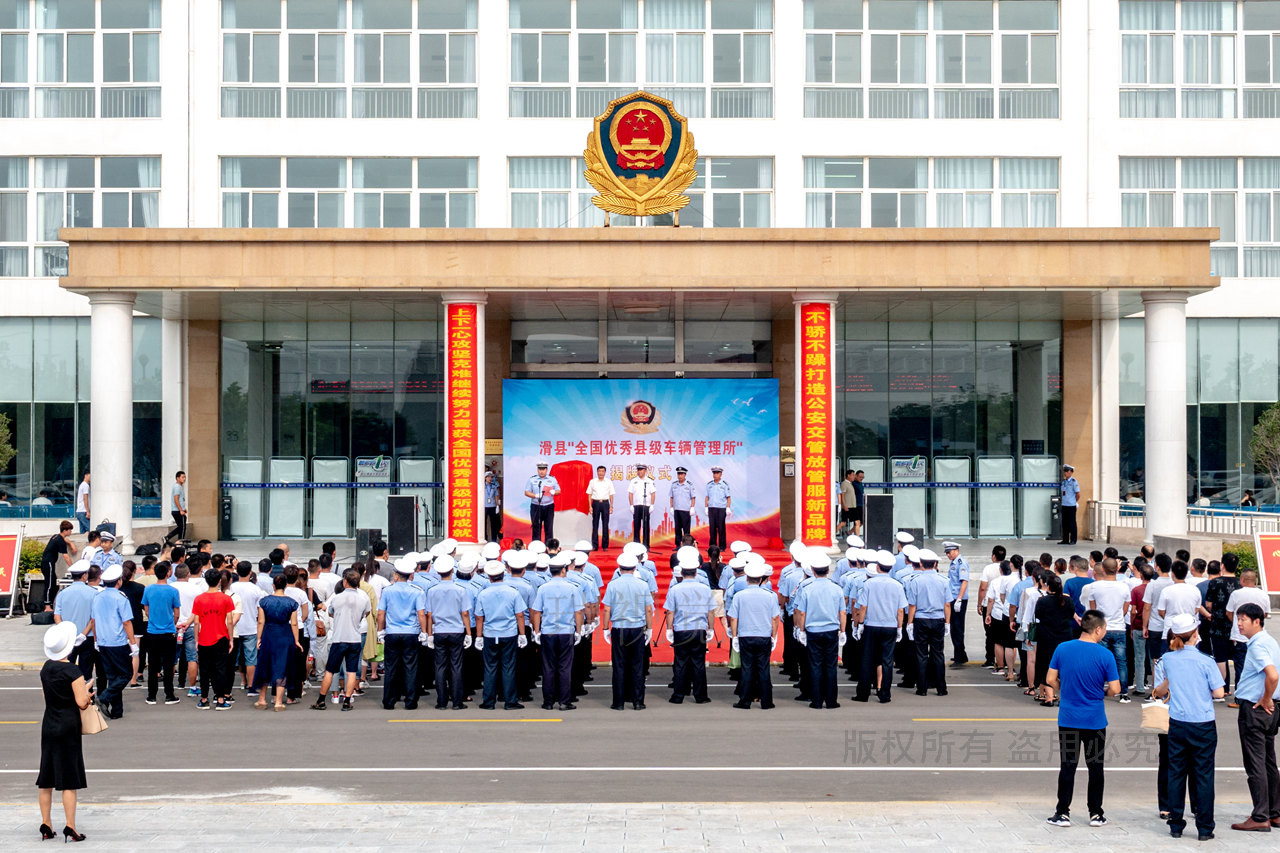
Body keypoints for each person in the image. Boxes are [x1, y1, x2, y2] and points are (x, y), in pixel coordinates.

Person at [1151, 613, 1225, 840]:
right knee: (1203, 775)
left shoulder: (1168, 659)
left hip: (1177, 723)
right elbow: (1219, 693)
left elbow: (1161, 690)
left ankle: (1175, 824)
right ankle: (1205, 828)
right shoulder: (1206, 661)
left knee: (1176, 774)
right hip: (1202, 723)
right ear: (1195, 633)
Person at [1045, 610, 1121, 828]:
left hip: (1068, 717)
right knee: (1095, 767)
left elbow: (1050, 678)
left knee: (1068, 766)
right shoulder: (1104, 655)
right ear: (1098, 629)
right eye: (1104, 629)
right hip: (1095, 719)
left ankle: (1062, 812)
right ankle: (1096, 813)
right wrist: (1103, 693)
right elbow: (1115, 688)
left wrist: (1065, 690)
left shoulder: (1063, 648)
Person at [36, 622, 92, 843]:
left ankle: (46, 823)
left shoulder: (46, 669)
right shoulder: (73, 671)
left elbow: (46, 698)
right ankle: (70, 826)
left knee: (46, 776)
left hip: (49, 723)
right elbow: (81, 703)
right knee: (69, 778)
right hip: (68, 725)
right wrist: (87, 694)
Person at [1230, 602, 1280, 832]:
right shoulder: (1271, 641)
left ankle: (1260, 816)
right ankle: (1274, 812)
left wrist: (1266, 697)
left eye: (1243, 620)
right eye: (1238, 619)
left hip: (1256, 708)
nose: (1239, 624)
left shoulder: (1258, 645)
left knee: (1256, 764)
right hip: (1271, 710)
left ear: (1257, 621)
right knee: (1269, 762)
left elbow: (1272, 675)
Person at [312, 568, 371, 712]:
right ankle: (347, 700)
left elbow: (331, 612)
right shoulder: (363, 598)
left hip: (339, 639)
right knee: (351, 671)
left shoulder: (337, 598)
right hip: (355, 638)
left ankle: (321, 700)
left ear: (345, 581)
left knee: (330, 670)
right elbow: (366, 613)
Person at [531, 556, 584, 711]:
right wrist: (579, 631)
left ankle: (548, 701)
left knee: (548, 667)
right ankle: (564, 701)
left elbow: (536, 612)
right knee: (564, 667)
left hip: (548, 632)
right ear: (563, 570)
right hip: (566, 631)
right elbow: (578, 611)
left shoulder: (543, 588)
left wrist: (536, 631)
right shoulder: (572, 588)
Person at [854, 551, 907, 704]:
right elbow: (900, 610)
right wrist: (899, 628)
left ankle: (863, 694)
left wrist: (861, 624)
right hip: (890, 627)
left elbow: (862, 607)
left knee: (867, 659)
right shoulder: (897, 585)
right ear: (890, 568)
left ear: (877, 567)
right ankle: (884, 694)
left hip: (871, 625)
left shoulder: (869, 584)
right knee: (887, 661)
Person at [795, 550, 847, 708]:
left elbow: (802, 613)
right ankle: (831, 701)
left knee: (815, 665)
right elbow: (842, 612)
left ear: (812, 570)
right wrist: (843, 631)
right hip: (831, 630)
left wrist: (801, 631)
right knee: (830, 666)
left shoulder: (807, 589)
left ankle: (816, 701)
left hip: (813, 631)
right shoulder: (836, 588)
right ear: (828, 569)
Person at [601, 552, 652, 710]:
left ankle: (618, 702)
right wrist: (649, 629)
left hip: (619, 629)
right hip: (637, 629)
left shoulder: (613, 584)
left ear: (619, 567)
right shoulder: (642, 584)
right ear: (635, 567)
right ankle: (638, 701)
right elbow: (648, 610)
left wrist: (604, 628)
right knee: (637, 666)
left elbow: (606, 609)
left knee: (619, 666)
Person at [664, 555, 716, 705]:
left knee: (680, 662)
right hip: (699, 629)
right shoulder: (705, 589)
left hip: (681, 629)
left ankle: (678, 695)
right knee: (698, 663)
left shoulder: (675, 589)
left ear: (681, 573)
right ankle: (700, 696)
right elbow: (711, 611)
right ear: (696, 572)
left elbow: (670, 611)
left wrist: (669, 628)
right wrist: (711, 628)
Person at [474, 561, 527, 710]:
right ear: (504, 574)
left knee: (490, 668)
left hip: (490, 634)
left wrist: (479, 636)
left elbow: (479, 616)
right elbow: (520, 615)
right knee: (508, 668)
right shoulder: (513, 592)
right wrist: (522, 634)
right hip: (508, 633)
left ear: (489, 577)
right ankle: (510, 701)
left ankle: (488, 701)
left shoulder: (483, 593)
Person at [728, 561, 779, 710]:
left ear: (747, 578)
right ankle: (767, 701)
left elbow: (734, 618)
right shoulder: (770, 596)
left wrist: (735, 636)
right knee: (763, 669)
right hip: (763, 635)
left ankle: (745, 700)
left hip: (746, 636)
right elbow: (775, 618)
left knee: (747, 669)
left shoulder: (740, 596)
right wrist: (774, 636)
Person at [89, 565, 136, 720]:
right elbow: (127, 622)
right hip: (117, 642)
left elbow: (94, 621)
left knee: (113, 677)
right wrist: (133, 643)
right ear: (119, 581)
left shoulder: (97, 597)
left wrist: (96, 639)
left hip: (103, 642)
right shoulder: (120, 597)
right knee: (126, 674)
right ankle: (104, 697)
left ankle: (117, 711)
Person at [378, 562, 427, 711]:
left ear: (396, 575)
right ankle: (411, 701)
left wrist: (381, 630)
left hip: (392, 632)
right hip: (410, 632)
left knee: (391, 668)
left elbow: (381, 613)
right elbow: (421, 614)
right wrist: (424, 632)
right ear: (410, 575)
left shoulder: (387, 591)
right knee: (410, 668)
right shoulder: (417, 591)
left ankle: (389, 701)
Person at [426, 555, 471, 710]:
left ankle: (441, 701)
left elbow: (429, 615)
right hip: (456, 630)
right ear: (452, 570)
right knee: (456, 666)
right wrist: (469, 633)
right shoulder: (460, 590)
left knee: (440, 667)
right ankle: (457, 701)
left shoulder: (432, 591)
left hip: (439, 630)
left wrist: (429, 634)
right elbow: (465, 613)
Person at [1084, 557, 1132, 703]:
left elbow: (1093, 607)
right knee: (1121, 660)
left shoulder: (1095, 587)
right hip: (1119, 627)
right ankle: (1123, 692)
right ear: (1117, 569)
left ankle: (1098, 687)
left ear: (1102, 569)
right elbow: (1126, 607)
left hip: (1100, 627)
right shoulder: (1124, 587)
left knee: (1099, 659)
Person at [252, 574, 301, 712]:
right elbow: (294, 623)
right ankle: (278, 702)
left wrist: (259, 638)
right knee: (282, 667)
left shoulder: (264, 601)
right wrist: (296, 640)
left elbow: (261, 621)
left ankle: (262, 700)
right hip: (284, 635)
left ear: (273, 585)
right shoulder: (292, 603)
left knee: (265, 666)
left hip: (268, 634)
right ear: (285, 585)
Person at [906, 549, 950, 697]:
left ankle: (922, 688)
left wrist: (910, 623)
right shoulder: (944, 581)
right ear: (935, 564)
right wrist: (948, 622)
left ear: (921, 564)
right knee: (938, 654)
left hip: (921, 619)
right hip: (938, 619)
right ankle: (941, 688)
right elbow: (947, 605)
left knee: (921, 655)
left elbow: (912, 605)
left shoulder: (916, 581)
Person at [1226, 570, 1271, 707]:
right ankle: (1257, 695)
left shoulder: (1236, 594)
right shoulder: (1263, 595)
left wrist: (1238, 623)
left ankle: (1240, 698)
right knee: (1258, 667)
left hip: (1239, 637)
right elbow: (1265, 613)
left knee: (1241, 667)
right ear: (1255, 580)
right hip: (1258, 635)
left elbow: (1229, 612)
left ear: (1242, 580)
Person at [140, 561, 181, 706]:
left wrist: (153, 618)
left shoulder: (148, 590)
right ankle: (169, 695)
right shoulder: (173, 591)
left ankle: (151, 696)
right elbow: (176, 612)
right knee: (169, 665)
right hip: (168, 631)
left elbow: (146, 608)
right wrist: (173, 623)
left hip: (152, 630)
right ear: (168, 573)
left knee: (153, 664)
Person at [1035, 573, 1076, 707]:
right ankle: (1064, 696)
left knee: (1046, 665)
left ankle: (1050, 697)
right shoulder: (1067, 601)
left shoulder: (1043, 601)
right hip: (1065, 637)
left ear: (1047, 586)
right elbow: (1071, 615)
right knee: (1064, 668)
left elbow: (1038, 615)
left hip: (1047, 637)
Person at [229, 562, 265, 695]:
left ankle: (242, 681)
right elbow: (259, 609)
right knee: (251, 658)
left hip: (234, 626)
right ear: (250, 572)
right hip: (250, 626)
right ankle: (251, 686)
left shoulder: (232, 587)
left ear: (237, 572)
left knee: (238, 657)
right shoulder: (256, 589)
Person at [943, 541, 969, 667]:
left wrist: (959, 599)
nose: (948, 555)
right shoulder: (954, 562)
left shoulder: (961, 563)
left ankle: (960, 656)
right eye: (946, 553)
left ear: (955, 550)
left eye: (949, 552)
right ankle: (959, 653)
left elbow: (964, 582)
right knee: (955, 628)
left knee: (957, 628)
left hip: (958, 599)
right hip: (953, 598)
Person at [40, 521, 75, 610]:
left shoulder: (56, 536)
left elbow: (65, 540)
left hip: (48, 563)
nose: (71, 532)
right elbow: (66, 557)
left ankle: (50, 603)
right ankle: (47, 605)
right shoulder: (60, 541)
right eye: (70, 530)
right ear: (65, 530)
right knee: (50, 584)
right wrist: (73, 568)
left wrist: (70, 544)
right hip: (48, 563)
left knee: (55, 585)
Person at [523, 461, 560, 543]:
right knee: (536, 527)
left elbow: (558, 491)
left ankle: (549, 548)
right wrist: (535, 496)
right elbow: (526, 492)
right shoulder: (532, 479)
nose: (541, 471)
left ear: (546, 470)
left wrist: (554, 492)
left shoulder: (552, 479)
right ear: (537, 470)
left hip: (549, 506)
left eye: (543, 469)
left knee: (549, 528)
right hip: (536, 506)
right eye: (540, 469)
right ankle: (536, 547)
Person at [586, 465, 615, 551]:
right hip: (596, 503)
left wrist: (611, 506)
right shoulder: (593, 481)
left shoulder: (608, 482)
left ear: (605, 472)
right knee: (595, 525)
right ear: (597, 472)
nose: (601, 473)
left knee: (605, 525)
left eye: (602, 471)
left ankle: (605, 546)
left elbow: (611, 494)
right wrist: (590, 506)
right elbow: (589, 494)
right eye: (599, 471)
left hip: (606, 503)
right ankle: (595, 546)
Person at [627, 463, 655, 548]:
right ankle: (636, 544)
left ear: (645, 471)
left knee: (646, 526)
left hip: (646, 506)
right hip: (636, 506)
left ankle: (646, 545)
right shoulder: (633, 481)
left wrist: (652, 505)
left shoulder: (649, 481)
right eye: (638, 470)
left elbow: (653, 494)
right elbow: (630, 494)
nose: (639, 471)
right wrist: (631, 505)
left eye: (641, 470)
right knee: (636, 526)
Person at [704, 466, 731, 551]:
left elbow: (728, 497)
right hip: (711, 508)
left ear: (721, 474)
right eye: (714, 473)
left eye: (717, 473)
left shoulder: (724, 485)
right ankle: (712, 547)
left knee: (721, 528)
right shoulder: (709, 485)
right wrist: (706, 507)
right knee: (712, 529)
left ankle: (722, 547)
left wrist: (728, 508)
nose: (715, 474)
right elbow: (707, 497)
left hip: (721, 509)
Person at [669, 466, 695, 544]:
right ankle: (678, 545)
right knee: (677, 529)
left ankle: (687, 544)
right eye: (678, 474)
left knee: (686, 529)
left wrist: (692, 507)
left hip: (686, 510)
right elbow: (671, 497)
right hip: (677, 510)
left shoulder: (689, 485)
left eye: (681, 474)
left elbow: (693, 497)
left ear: (685, 475)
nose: (679, 476)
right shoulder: (674, 485)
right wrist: (671, 507)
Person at [1059, 464, 1080, 545]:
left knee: (1072, 523)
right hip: (1064, 505)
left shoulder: (1074, 482)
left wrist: (1074, 502)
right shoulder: (1063, 482)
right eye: (1065, 471)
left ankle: (1073, 540)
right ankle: (1065, 540)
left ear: (1071, 472)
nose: (1065, 473)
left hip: (1071, 505)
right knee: (1065, 523)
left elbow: (1078, 494)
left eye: (1067, 471)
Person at [166, 470, 187, 544]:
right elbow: (176, 499)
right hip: (177, 511)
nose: (184, 479)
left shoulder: (179, 487)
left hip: (177, 510)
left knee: (180, 527)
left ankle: (168, 538)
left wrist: (184, 509)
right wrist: (181, 510)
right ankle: (180, 541)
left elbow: (181, 499)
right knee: (182, 527)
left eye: (185, 477)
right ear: (177, 478)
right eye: (182, 477)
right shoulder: (177, 487)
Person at [835, 469, 857, 538]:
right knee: (843, 523)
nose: (854, 477)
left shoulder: (851, 484)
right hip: (847, 506)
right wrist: (843, 505)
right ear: (848, 475)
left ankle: (856, 537)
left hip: (853, 506)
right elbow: (842, 495)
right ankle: (832, 534)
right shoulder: (844, 484)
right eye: (853, 475)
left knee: (857, 522)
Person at [483, 470, 501, 543]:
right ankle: (485, 538)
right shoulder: (481, 486)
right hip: (484, 507)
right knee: (484, 524)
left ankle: (493, 539)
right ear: (485, 478)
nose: (490, 478)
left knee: (493, 524)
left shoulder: (493, 486)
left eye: (491, 477)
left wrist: (497, 505)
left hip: (492, 506)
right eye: (488, 477)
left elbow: (496, 496)